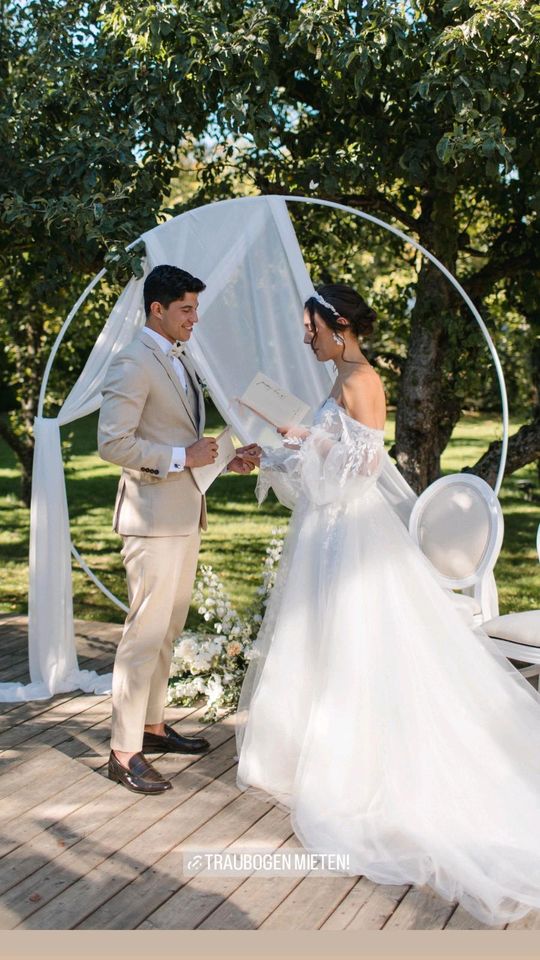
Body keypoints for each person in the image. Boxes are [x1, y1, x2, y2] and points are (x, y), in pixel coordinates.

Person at [235, 281, 540, 927]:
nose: (305, 335)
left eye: (310, 326)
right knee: (315, 640)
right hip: (328, 531)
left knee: (352, 645)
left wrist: (301, 437)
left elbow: (359, 470)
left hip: (349, 532)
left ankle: (351, 770)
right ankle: (300, 753)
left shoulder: (360, 380)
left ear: (337, 323)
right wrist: (281, 448)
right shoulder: (342, 375)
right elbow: (328, 455)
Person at [98, 264, 260, 795]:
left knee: (167, 630)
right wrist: (179, 455)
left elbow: (184, 441)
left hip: (184, 514)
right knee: (143, 634)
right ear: (157, 310)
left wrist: (222, 461)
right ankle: (124, 753)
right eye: (186, 309)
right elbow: (112, 444)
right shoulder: (132, 363)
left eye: (196, 308)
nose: (195, 319)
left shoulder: (178, 358)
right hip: (150, 522)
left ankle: (152, 726)